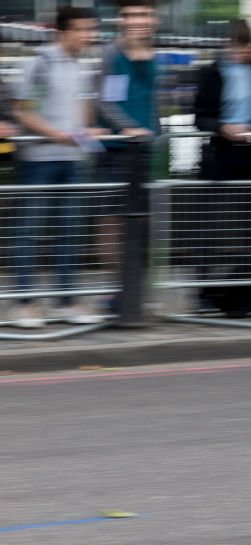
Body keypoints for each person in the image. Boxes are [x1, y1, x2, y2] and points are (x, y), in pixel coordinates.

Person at [11, 5, 106, 329]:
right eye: (82, 29)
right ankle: (24, 304)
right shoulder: (39, 64)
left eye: (90, 29)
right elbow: (23, 111)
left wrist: (86, 130)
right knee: (29, 233)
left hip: (73, 160)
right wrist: (59, 136)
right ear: (62, 31)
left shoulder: (83, 65)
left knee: (70, 233)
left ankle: (67, 300)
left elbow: (81, 108)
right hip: (39, 160)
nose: (88, 35)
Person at [193, 19, 251, 315]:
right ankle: (206, 292)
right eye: (241, 48)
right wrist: (223, 127)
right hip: (222, 154)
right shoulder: (213, 72)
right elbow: (200, 116)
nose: (247, 54)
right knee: (210, 226)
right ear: (229, 45)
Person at [96, 0, 161, 311]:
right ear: (121, 20)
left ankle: (135, 290)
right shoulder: (113, 54)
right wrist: (131, 129)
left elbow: (154, 103)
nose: (140, 20)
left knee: (144, 223)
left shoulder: (154, 56)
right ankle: (117, 290)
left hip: (146, 152)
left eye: (145, 14)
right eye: (133, 14)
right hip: (118, 152)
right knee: (114, 223)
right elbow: (106, 103)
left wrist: (156, 135)